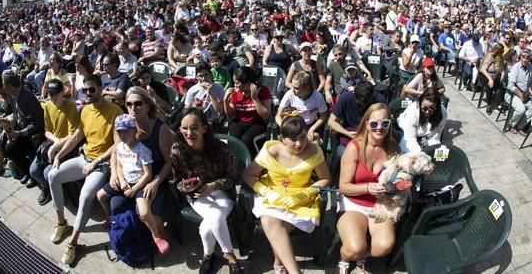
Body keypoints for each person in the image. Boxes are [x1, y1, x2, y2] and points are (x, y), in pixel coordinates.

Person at [47, 74, 123, 265]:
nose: (87, 93)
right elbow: (76, 137)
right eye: (85, 90)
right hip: (84, 158)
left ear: (100, 89)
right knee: (53, 175)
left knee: (85, 195)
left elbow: (117, 145)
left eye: (91, 89)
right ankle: (62, 223)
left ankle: (73, 243)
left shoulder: (115, 111)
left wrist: (96, 162)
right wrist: (58, 154)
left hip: (102, 164)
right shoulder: (85, 110)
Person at [242, 116, 331, 274]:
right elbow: (247, 175)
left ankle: (279, 264)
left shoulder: (313, 150)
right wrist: (266, 192)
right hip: (272, 195)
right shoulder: (271, 150)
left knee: (276, 227)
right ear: (282, 139)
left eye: (303, 137)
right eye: (293, 139)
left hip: (301, 198)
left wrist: (305, 194)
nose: (299, 144)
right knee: (270, 221)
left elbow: (326, 179)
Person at [171, 108, 242, 274]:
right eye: (184, 128)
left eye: (194, 128)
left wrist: (214, 185)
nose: (189, 133)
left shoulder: (220, 148)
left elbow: (233, 177)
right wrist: (185, 186)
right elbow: (177, 181)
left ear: (204, 128)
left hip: (223, 192)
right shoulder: (177, 150)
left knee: (206, 227)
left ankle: (209, 256)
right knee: (216, 216)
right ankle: (230, 256)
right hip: (197, 195)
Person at [335, 103, 399, 274]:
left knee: (383, 247)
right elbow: (343, 187)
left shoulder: (393, 148)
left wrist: (396, 187)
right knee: (354, 247)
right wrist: (369, 188)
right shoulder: (354, 147)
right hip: (353, 203)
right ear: (366, 124)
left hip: (380, 205)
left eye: (385, 123)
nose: (379, 128)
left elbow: (398, 181)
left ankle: (361, 255)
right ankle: (345, 257)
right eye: (374, 123)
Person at [109, 87, 174, 243]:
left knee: (146, 209)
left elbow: (170, 161)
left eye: (138, 103)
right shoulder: (123, 124)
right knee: (114, 203)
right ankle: (136, 232)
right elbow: (115, 152)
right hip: (129, 175)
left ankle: (161, 236)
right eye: (129, 104)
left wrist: (156, 182)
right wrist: (114, 173)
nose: (133, 108)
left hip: (154, 175)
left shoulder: (160, 129)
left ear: (147, 106)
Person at [96, 114, 169, 254]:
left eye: (126, 131)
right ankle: (108, 217)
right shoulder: (119, 147)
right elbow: (119, 166)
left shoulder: (142, 150)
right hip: (125, 182)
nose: (122, 135)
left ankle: (156, 236)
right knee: (100, 196)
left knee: (144, 211)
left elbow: (148, 173)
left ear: (134, 130)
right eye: (119, 132)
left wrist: (135, 189)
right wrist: (122, 181)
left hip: (140, 184)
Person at [29, 79, 79, 206]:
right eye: (50, 94)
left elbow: (71, 135)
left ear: (62, 93)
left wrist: (57, 146)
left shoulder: (70, 107)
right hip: (51, 144)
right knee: (33, 171)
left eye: (56, 93)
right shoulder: (48, 106)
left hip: (66, 148)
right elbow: (47, 131)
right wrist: (55, 142)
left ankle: (57, 191)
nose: (53, 97)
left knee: (47, 173)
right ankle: (48, 188)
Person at [2, 70, 44, 185]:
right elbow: (19, 116)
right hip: (23, 131)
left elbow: (37, 123)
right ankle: (27, 172)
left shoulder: (26, 97)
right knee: (4, 142)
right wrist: (9, 126)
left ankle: (33, 175)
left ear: (10, 86)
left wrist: (19, 133)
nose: (2, 86)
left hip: (34, 135)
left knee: (11, 147)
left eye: (3, 83)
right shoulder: (15, 95)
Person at [224, 66, 272, 154]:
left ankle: (251, 162)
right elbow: (230, 114)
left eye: (237, 83)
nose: (235, 85)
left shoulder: (263, 90)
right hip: (240, 121)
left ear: (247, 83)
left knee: (246, 140)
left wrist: (254, 98)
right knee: (233, 138)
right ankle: (234, 160)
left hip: (257, 123)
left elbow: (266, 115)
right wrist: (225, 101)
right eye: (234, 82)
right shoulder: (235, 92)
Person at [275, 71, 328, 142]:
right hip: (292, 125)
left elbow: (323, 116)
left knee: (314, 143)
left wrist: (312, 129)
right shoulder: (290, 94)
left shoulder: (317, 97)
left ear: (307, 87)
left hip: (308, 126)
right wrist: (285, 128)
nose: (293, 90)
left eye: (297, 88)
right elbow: (278, 116)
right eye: (293, 86)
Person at [398, 88, 448, 153]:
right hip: (406, 133)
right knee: (410, 155)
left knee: (432, 154)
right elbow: (410, 139)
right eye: (424, 108)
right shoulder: (412, 112)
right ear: (420, 103)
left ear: (437, 107)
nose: (427, 112)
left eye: (432, 108)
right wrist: (421, 154)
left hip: (424, 136)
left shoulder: (442, 113)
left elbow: (435, 137)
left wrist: (432, 151)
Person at [506, 50, 532, 134]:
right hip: (512, 94)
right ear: (520, 57)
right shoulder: (516, 67)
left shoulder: (530, 67)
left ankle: (519, 126)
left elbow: (529, 83)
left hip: (524, 94)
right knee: (521, 109)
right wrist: (520, 95)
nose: (525, 60)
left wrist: (529, 90)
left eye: (527, 58)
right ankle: (511, 124)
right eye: (523, 57)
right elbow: (510, 86)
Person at [479, 43, 506, 114]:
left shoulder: (500, 57)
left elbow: (502, 69)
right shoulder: (490, 56)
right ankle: (489, 104)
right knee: (490, 85)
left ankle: (500, 104)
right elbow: (482, 69)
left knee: (503, 87)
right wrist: (490, 79)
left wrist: (502, 76)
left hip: (496, 76)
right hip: (486, 75)